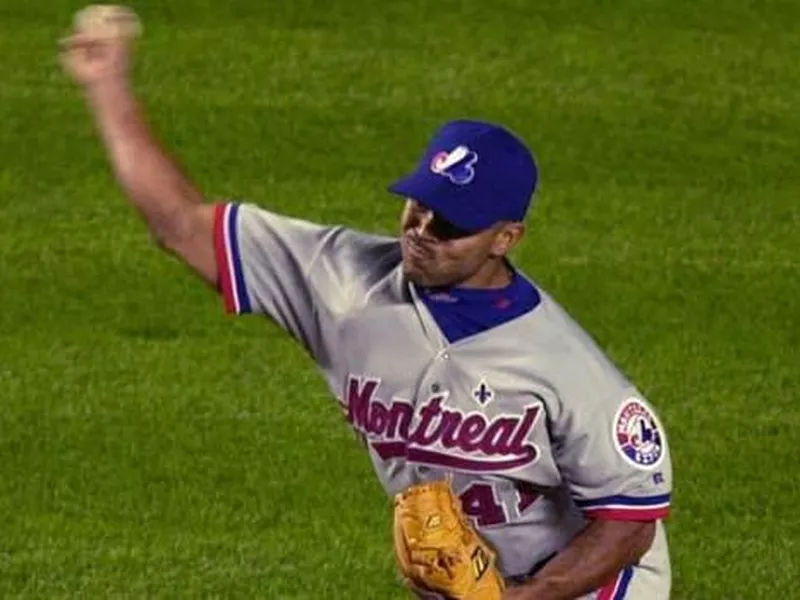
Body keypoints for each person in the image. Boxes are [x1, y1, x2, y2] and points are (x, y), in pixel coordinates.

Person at [60, 14, 673, 600]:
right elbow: (179, 224)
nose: (422, 229)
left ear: (505, 237)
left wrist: (525, 596)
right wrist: (108, 86)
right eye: (418, 204)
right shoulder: (338, 279)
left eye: (451, 223)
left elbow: (630, 522)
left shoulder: (567, 366)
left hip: (592, 583)